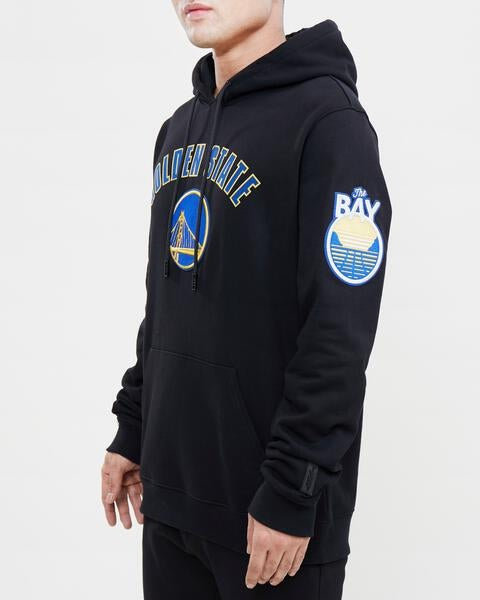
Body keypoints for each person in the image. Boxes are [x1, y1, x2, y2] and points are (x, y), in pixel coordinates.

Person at [101, 1, 392, 598]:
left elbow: (339, 330)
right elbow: (165, 301)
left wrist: (292, 488)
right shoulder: (177, 129)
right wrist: (135, 426)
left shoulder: (331, 125)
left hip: (271, 523)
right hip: (172, 500)